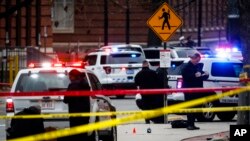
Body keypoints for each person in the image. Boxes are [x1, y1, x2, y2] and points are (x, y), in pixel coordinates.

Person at [181, 53, 209, 130]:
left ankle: (192, 124)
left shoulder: (197, 66)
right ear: (193, 58)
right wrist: (194, 75)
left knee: (195, 107)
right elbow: (186, 77)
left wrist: (206, 74)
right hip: (189, 90)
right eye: (197, 60)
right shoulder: (186, 67)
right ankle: (190, 124)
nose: (198, 62)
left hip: (197, 90)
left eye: (199, 60)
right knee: (190, 107)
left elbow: (201, 76)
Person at [63, 69, 90, 141]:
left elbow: (66, 99)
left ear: (73, 76)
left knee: (75, 134)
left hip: (75, 114)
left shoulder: (72, 85)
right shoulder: (85, 84)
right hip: (85, 113)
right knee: (83, 133)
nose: (69, 78)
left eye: (70, 76)